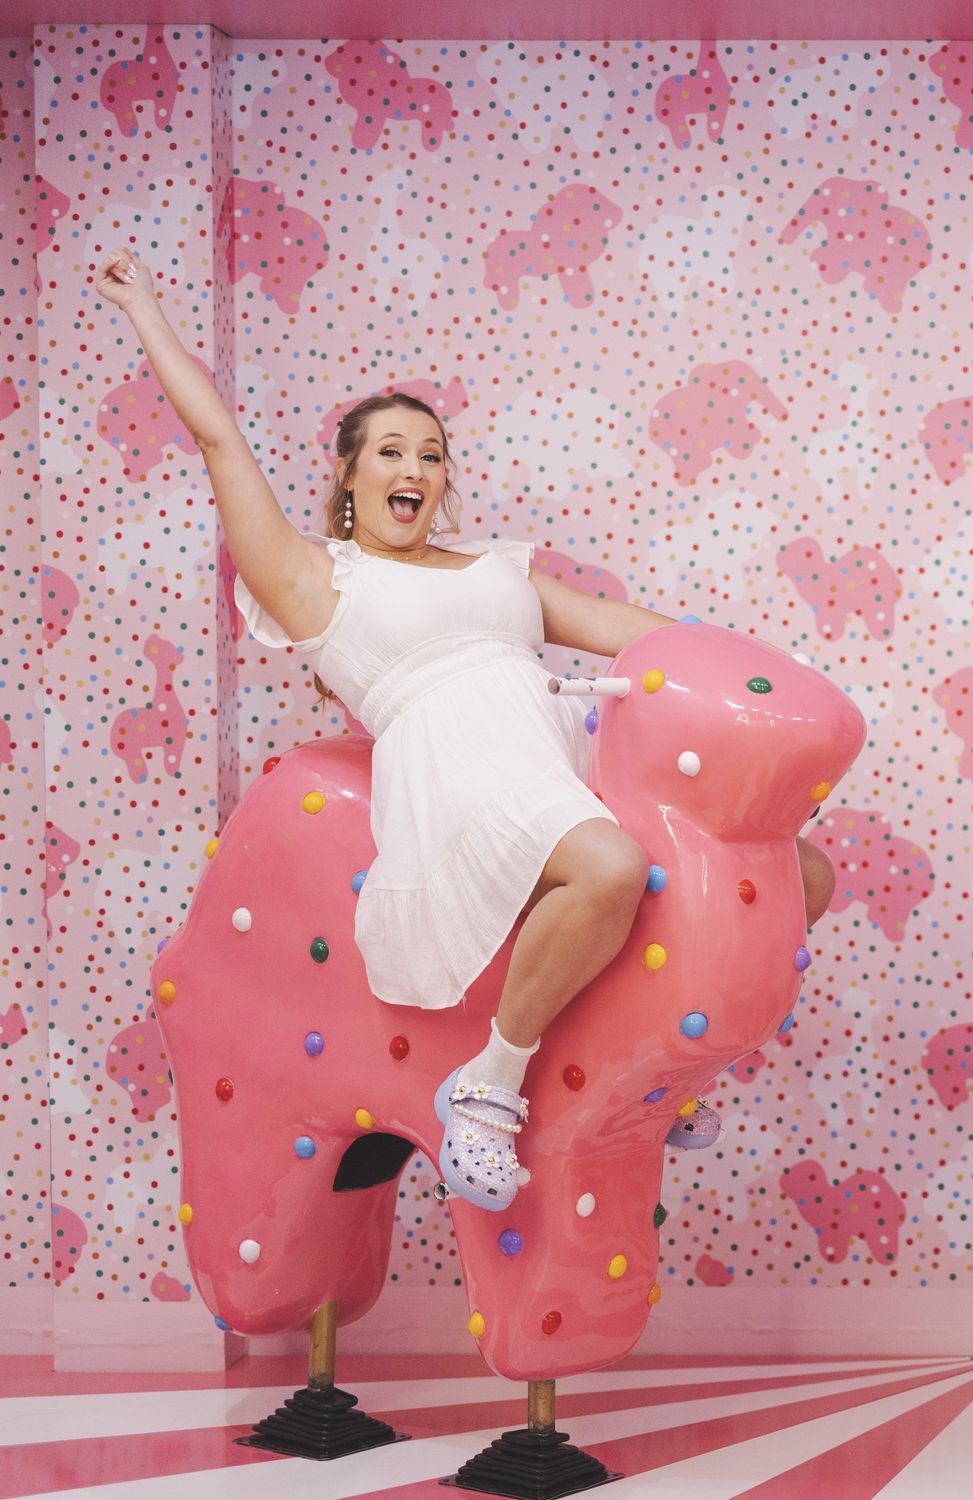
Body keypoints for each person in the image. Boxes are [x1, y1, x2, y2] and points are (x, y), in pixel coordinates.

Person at [95, 248, 837, 1212]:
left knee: (798, 878)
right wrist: (145, 308)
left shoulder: (496, 568)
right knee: (610, 868)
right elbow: (219, 442)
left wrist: (769, 676)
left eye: (431, 454)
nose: (415, 468)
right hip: (460, 764)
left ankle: (643, 1063)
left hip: (565, 742)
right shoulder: (315, 577)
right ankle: (488, 1087)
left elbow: (648, 636)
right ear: (351, 474)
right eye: (391, 451)